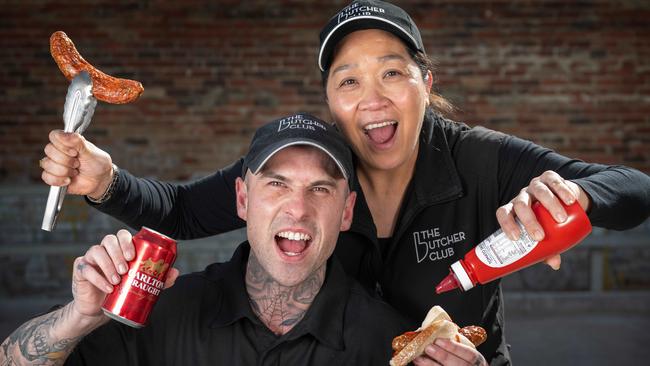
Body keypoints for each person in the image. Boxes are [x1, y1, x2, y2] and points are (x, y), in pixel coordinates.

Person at [38, 1, 650, 364]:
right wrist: (105, 179)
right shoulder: (315, 172)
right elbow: (182, 210)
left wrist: (579, 197)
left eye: (392, 72)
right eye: (348, 80)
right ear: (331, 99)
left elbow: (634, 188)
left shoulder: (480, 160)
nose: (372, 97)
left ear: (425, 84)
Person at [4, 114, 419, 365]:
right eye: (277, 184)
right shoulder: (163, 312)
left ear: (346, 211)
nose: (298, 209)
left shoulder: (393, 345)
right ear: (242, 199)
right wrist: (78, 318)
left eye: (321, 189)